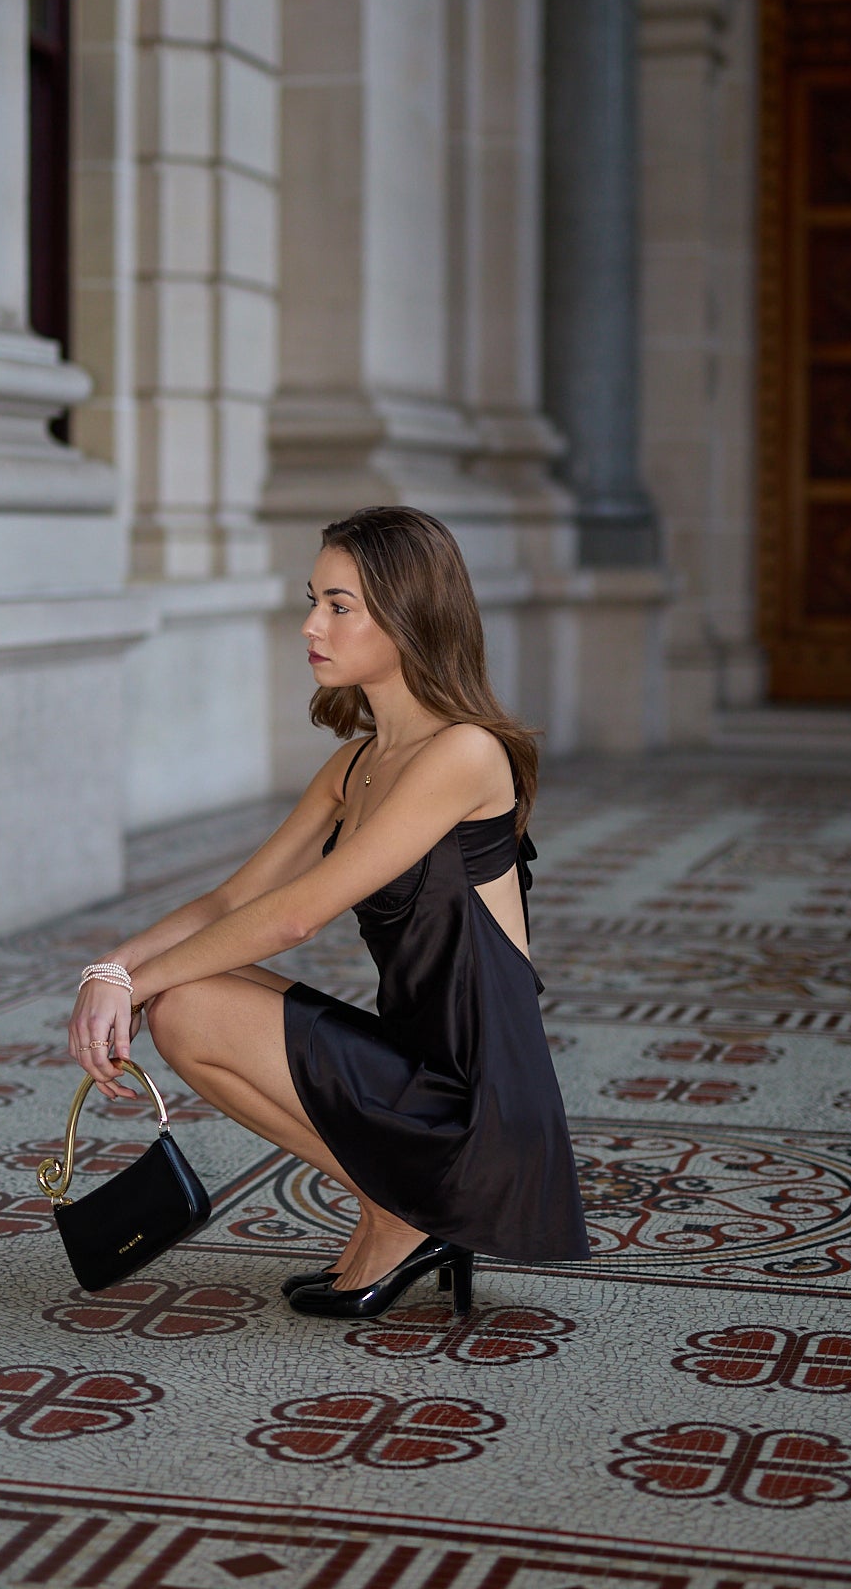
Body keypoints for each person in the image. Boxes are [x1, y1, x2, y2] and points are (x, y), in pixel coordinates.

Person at [67, 506, 589, 1320]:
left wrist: (139, 984)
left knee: (185, 1003)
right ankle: (395, 1208)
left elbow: (294, 917)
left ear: (410, 616)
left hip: (476, 1100)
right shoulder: (355, 765)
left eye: (339, 606)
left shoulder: (464, 752)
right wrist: (113, 968)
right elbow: (234, 898)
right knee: (182, 1000)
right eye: (314, 601)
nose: (312, 625)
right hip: (410, 1062)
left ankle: (406, 1213)